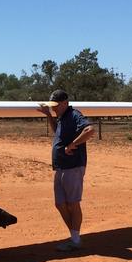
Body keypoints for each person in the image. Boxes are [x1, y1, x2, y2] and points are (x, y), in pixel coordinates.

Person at [39, 89, 94, 251]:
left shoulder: (74, 115)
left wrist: (73, 145)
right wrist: (49, 115)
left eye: (56, 106)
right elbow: (58, 132)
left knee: (72, 203)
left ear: (65, 103)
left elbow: (90, 130)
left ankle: (75, 240)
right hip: (61, 167)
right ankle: (74, 237)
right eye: (52, 106)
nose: (54, 108)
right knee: (60, 203)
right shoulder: (62, 117)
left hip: (73, 166)